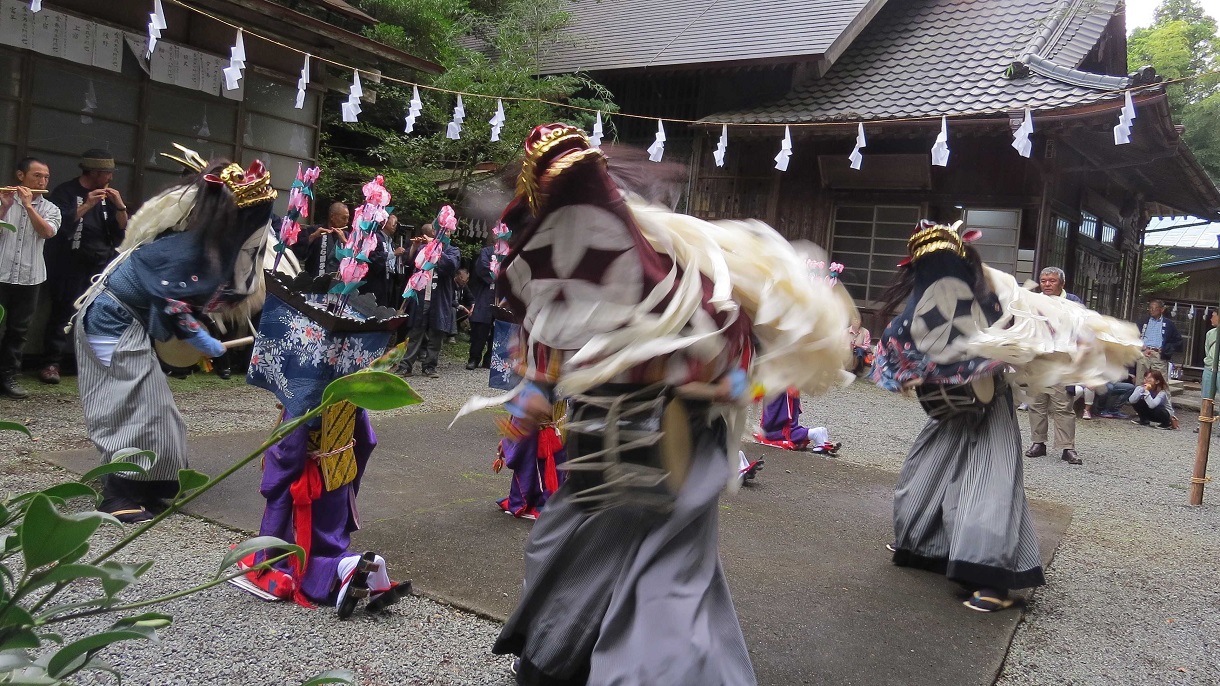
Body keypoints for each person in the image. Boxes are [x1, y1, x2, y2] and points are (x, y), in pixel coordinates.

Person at [74, 157, 276, 522]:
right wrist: (201, 340)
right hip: (109, 321)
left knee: (159, 411)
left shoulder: (202, 244)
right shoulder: (190, 247)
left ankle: (154, 485)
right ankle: (119, 496)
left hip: (123, 321)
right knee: (132, 406)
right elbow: (175, 305)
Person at [872, 219, 1044, 613]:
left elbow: (1017, 343)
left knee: (989, 483)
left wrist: (986, 357)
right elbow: (904, 343)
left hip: (990, 407)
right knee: (925, 472)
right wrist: (909, 374)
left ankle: (992, 580)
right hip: (951, 413)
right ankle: (928, 548)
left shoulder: (992, 299)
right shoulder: (923, 304)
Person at [43, 149, 128, 384]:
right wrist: (87, 204)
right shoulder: (67, 192)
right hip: (70, 262)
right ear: (94, 172)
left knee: (96, 315)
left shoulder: (108, 197)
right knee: (63, 312)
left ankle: (89, 363)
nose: (110, 177)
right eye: (106, 173)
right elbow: (56, 224)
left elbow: (121, 229)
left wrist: (119, 206)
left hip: (101, 262)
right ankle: (52, 362)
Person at [0, 158, 61, 398]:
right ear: (20, 176)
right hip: (1, 273)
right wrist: (4, 208)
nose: (42, 181)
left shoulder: (50, 208)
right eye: (37, 176)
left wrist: (28, 207)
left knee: (18, 330)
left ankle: (8, 377)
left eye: (45, 177)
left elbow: (47, 232)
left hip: (29, 277)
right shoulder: (4, 200)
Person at [1024, 267, 1083, 465]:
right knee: (1037, 403)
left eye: (1052, 281)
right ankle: (1038, 442)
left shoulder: (1073, 302)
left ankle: (1067, 447)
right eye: (1043, 281)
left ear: (1062, 283)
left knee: (1063, 405)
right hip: (1038, 357)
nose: (1047, 284)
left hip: (1062, 358)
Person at [399, 221, 460, 378]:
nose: (444, 234)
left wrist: (436, 248)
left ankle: (430, 366)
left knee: (436, 334)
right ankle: (406, 366)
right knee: (415, 332)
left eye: (447, 231)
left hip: (439, 297)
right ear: (435, 231)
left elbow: (451, 265)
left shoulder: (453, 250)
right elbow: (409, 262)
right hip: (422, 296)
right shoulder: (424, 247)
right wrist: (414, 246)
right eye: (441, 231)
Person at [492, 405, 567, 520]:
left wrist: (508, 441)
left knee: (533, 472)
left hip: (538, 439)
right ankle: (546, 501)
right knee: (547, 471)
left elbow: (524, 421)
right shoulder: (545, 393)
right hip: (548, 435)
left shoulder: (532, 397)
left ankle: (538, 502)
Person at [754, 387, 840, 454]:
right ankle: (821, 434)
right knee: (788, 425)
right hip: (789, 382)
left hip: (778, 382)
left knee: (773, 432)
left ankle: (813, 433)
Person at [293, 202, 348, 280]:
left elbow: (355, 258)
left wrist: (345, 242)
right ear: (332, 217)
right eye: (344, 218)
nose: (346, 221)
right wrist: (313, 237)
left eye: (347, 218)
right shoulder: (315, 231)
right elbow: (299, 253)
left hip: (337, 284)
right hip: (315, 282)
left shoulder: (347, 236)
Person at [1135, 299, 1183, 381]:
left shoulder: (1169, 324)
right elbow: (1135, 336)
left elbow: (1178, 341)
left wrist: (1166, 349)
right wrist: (1142, 348)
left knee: (1160, 382)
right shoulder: (1143, 321)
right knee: (1140, 380)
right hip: (1144, 353)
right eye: (1150, 308)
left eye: (1155, 308)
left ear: (1162, 309)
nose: (1152, 310)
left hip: (1158, 354)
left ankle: (1162, 394)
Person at [467, 240, 496, 370]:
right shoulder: (487, 251)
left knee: (498, 328)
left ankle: (490, 359)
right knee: (480, 327)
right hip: (485, 291)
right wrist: (497, 274)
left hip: (501, 293)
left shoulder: (510, 253)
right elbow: (482, 267)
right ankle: (474, 357)